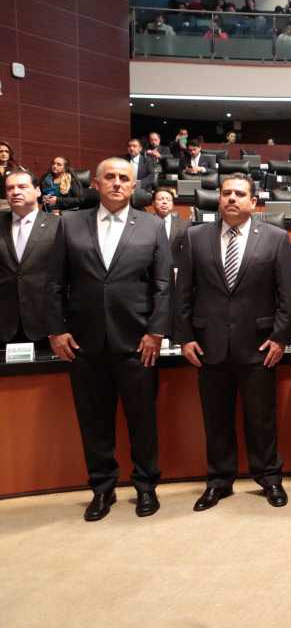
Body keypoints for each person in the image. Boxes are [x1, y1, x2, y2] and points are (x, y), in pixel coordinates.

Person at [46, 158, 172, 521]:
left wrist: (155, 331)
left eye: (125, 179)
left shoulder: (151, 226)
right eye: (110, 177)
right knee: (94, 421)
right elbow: (54, 282)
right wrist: (56, 330)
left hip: (138, 344)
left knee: (142, 420)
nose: (117, 183)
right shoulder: (69, 224)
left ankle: (146, 486)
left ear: (134, 187)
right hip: (84, 343)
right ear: (96, 184)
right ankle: (102, 489)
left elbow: (163, 285)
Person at [174, 173, 291, 512]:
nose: (230, 198)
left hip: (259, 345)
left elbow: (287, 295)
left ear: (253, 203)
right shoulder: (195, 236)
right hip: (208, 344)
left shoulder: (275, 238)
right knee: (216, 418)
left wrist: (279, 338)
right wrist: (184, 337)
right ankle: (219, 481)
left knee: (262, 418)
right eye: (225, 193)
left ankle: (269, 478)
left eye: (239, 194)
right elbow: (183, 292)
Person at [0, 171, 59, 346]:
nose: (15, 192)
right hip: (4, 324)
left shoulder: (59, 226)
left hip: (45, 325)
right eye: (10, 188)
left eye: (22, 186)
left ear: (38, 191)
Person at [150, 187, 190, 260]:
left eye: (168, 200)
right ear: (153, 203)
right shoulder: (146, 222)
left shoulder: (184, 225)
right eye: (160, 199)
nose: (165, 202)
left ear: (173, 204)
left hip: (174, 268)